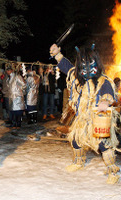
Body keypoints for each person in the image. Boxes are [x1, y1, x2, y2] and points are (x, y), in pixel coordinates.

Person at [50, 43, 120, 184]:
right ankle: (78, 162)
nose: (87, 68)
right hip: (82, 119)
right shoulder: (77, 78)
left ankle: (113, 171)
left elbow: (109, 94)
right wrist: (57, 54)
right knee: (76, 139)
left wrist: (105, 101)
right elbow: (67, 67)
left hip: (99, 119)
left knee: (104, 145)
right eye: (83, 64)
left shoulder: (103, 81)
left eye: (90, 63)